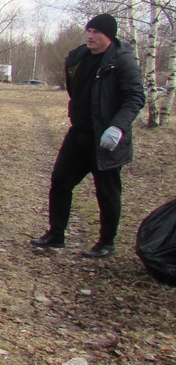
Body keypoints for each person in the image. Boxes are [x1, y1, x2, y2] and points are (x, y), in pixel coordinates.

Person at [31, 13, 145, 258]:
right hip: (79, 133)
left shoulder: (122, 61)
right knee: (60, 180)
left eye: (96, 32)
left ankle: (106, 242)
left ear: (109, 36)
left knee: (107, 191)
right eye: (89, 30)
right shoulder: (79, 57)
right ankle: (56, 234)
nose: (90, 36)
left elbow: (135, 98)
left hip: (107, 138)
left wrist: (117, 127)